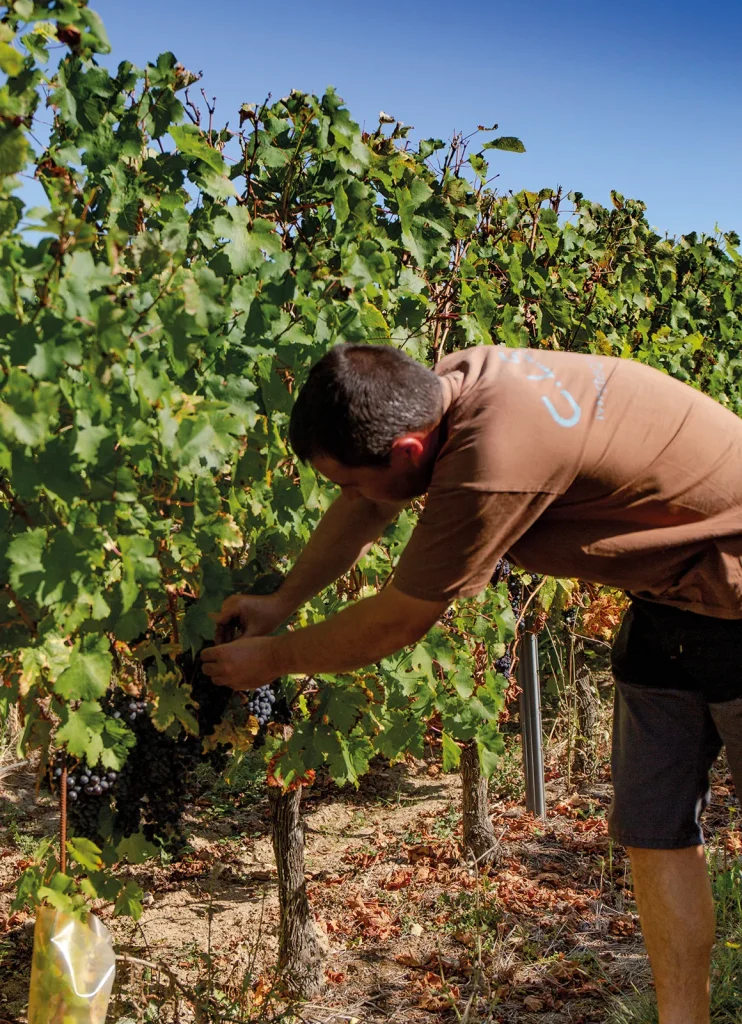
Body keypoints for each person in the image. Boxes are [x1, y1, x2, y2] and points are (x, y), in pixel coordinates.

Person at [201, 342, 742, 1024]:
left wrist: (274, 658)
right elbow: (372, 506)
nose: (350, 498)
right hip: (670, 602)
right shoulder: (445, 386)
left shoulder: (494, 460)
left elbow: (394, 624)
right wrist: (283, 600)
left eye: (350, 480)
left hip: (735, 586)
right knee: (654, 832)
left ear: (407, 451)